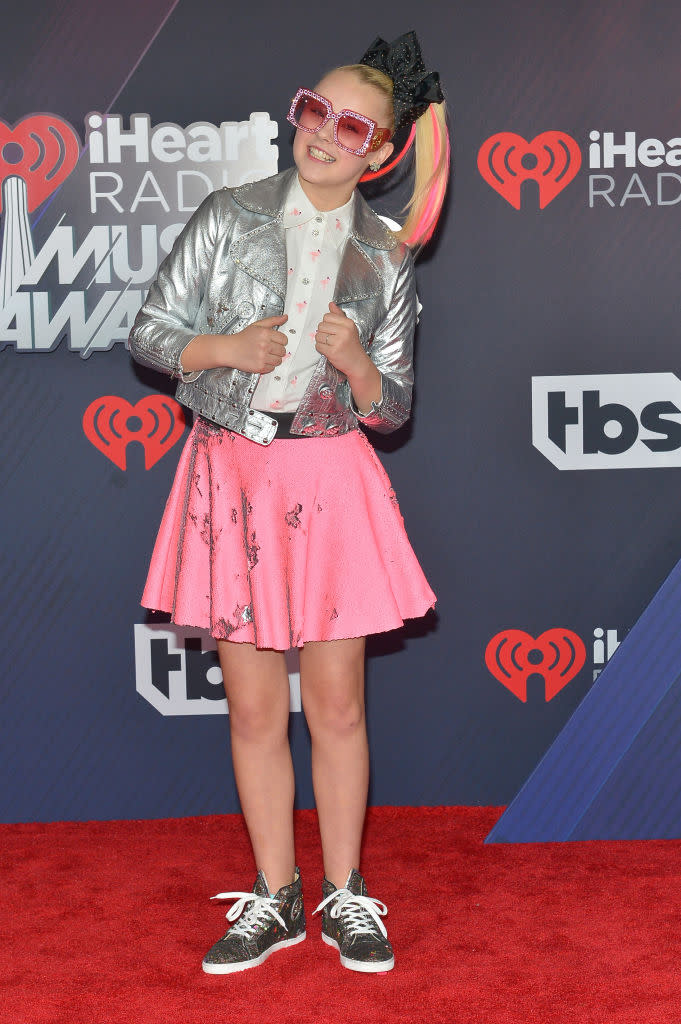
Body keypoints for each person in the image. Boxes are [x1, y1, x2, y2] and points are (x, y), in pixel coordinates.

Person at [128, 30, 449, 975]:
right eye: (316, 110)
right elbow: (151, 334)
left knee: (339, 707)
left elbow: (391, 410)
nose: (326, 133)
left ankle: (347, 891)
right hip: (231, 477)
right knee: (255, 710)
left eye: (353, 126)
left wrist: (355, 364)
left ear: (382, 153)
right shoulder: (227, 215)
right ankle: (275, 894)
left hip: (331, 481)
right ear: (294, 113)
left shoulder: (388, 257)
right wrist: (224, 350)